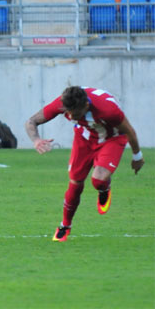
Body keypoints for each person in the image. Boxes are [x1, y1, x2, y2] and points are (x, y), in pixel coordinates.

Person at [25, 86, 145, 242]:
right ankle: (65, 225)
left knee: (98, 180)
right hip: (85, 138)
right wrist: (36, 140)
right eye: (68, 112)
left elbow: (129, 131)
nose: (70, 116)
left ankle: (104, 188)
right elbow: (31, 121)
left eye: (74, 114)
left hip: (112, 139)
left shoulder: (108, 110)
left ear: (86, 106)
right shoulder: (63, 103)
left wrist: (137, 156)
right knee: (75, 183)